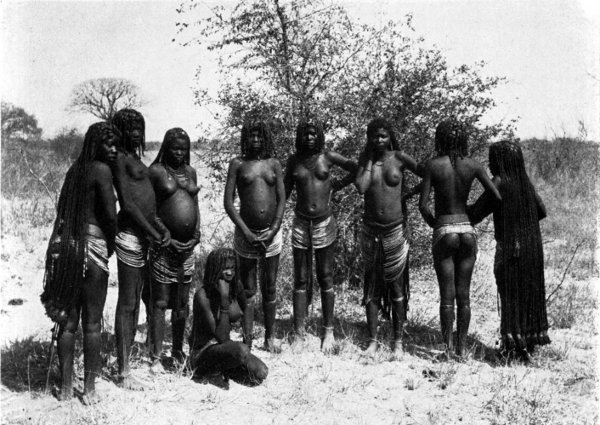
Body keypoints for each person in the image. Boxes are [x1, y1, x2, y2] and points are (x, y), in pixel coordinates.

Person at [41, 122, 119, 404]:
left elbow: (61, 210)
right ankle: (89, 390)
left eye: (116, 144)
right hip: (92, 247)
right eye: (108, 144)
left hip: (65, 248)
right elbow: (110, 215)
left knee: (68, 321)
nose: (114, 149)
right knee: (93, 324)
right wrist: (110, 245)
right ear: (96, 145)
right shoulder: (102, 170)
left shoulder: (74, 171)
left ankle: (64, 389)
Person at [418, 119, 501, 358]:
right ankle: (462, 349)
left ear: (440, 139)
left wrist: (436, 224)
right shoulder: (473, 165)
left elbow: (423, 206)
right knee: (464, 296)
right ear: (464, 139)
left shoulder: (433, 165)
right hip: (467, 230)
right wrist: (472, 214)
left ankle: (448, 350)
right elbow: (496, 196)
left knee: (447, 295)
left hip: (444, 229)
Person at [468, 140, 550, 360]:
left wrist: (456, 209)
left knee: (511, 296)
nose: (490, 164)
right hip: (532, 247)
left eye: (493, 159)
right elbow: (542, 211)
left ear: (500, 161)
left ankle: (512, 348)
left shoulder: (499, 181)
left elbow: (476, 213)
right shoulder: (525, 182)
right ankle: (528, 344)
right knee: (528, 295)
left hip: (511, 248)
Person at [284, 120, 357, 352]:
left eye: (314, 134)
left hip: (324, 223)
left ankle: (328, 331)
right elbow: (284, 191)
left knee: (325, 276)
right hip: (301, 223)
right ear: (300, 137)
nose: (310, 137)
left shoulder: (328, 157)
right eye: (306, 134)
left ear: (320, 136)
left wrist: (337, 185)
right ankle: (299, 334)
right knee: (300, 278)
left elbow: (355, 168)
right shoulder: (294, 161)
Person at [111, 109, 170, 389]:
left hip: (145, 237)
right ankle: (123, 373)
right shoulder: (119, 159)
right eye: (129, 128)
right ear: (119, 130)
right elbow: (128, 204)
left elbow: (147, 204)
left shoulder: (136, 159)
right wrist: (151, 232)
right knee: (127, 302)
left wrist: (160, 227)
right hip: (131, 236)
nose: (135, 133)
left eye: (138, 128)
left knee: (139, 299)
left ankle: (130, 363)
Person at [354, 118, 422, 358]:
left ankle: (398, 342)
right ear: (369, 138)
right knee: (371, 285)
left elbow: (427, 173)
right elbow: (361, 187)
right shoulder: (366, 160)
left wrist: (410, 194)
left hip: (395, 230)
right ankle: (372, 341)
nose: (379, 140)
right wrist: (369, 160)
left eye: (383, 136)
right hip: (371, 231)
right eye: (374, 136)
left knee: (396, 286)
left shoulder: (400, 158)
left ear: (390, 136)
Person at [224, 120, 285, 352]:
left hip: (272, 234)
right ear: (245, 139)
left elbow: (281, 199)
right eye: (251, 136)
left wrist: (274, 229)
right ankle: (247, 340)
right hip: (245, 235)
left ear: (266, 138)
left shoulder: (274, 164)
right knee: (248, 290)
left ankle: (270, 338)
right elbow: (228, 203)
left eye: (260, 136)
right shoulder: (237, 164)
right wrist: (246, 232)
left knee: (270, 287)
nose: (256, 140)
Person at [147, 128, 200, 371]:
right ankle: (156, 356)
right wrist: (165, 237)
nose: (179, 152)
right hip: (164, 247)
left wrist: (196, 235)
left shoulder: (191, 172)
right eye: (175, 148)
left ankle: (178, 351)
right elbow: (150, 209)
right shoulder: (156, 172)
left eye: (183, 149)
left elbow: (195, 206)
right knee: (159, 302)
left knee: (181, 303)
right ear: (166, 148)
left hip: (187, 248)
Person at [189, 248, 268, 385]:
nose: (230, 272)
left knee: (261, 371)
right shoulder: (202, 296)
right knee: (241, 351)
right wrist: (224, 300)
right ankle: (213, 371)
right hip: (202, 353)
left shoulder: (235, 286)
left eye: (232, 268)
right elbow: (222, 337)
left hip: (225, 348)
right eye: (225, 268)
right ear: (215, 269)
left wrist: (247, 340)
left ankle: (226, 368)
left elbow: (246, 308)